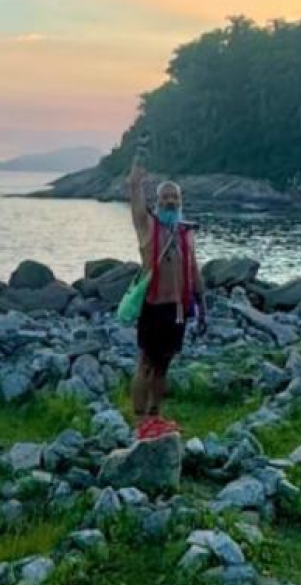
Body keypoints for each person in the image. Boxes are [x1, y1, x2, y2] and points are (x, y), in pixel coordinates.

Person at [127, 148, 207, 441]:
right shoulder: (148, 227)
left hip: (178, 310)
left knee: (163, 365)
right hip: (153, 307)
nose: (170, 201)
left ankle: (155, 416)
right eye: (165, 197)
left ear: (180, 202)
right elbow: (135, 194)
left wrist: (202, 307)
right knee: (146, 363)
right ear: (158, 201)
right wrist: (136, 177)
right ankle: (140, 422)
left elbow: (194, 270)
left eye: (175, 198)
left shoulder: (186, 233)